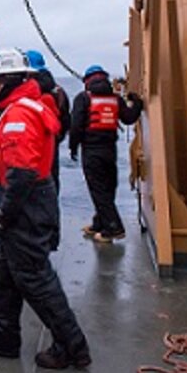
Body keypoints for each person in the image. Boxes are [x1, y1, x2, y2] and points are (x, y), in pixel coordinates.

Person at [0, 49, 91, 370]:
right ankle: (4, 334)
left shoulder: (18, 115)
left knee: (35, 279)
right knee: (4, 272)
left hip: (23, 208)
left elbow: (21, 173)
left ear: (4, 81)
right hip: (29, 202)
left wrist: (4, 215)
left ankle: (72, 345)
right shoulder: (26, 106)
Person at [69, 65, 143, 243]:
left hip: (92, 151)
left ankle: (113, 228)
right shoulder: (115, 99)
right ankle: (100, 222)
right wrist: (137, 102)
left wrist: (73, 147)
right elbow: (129, 118)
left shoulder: (83, 98)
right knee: (108, 188)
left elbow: (76, 125)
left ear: (87, 81)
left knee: (98, 190)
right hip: (110, 150)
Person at [25, 50, 70, 193]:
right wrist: (57, 138)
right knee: (51, 178)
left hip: (30, 144)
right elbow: (66, 118)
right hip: (52, 141)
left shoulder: (28, 91)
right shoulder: (59, 91)